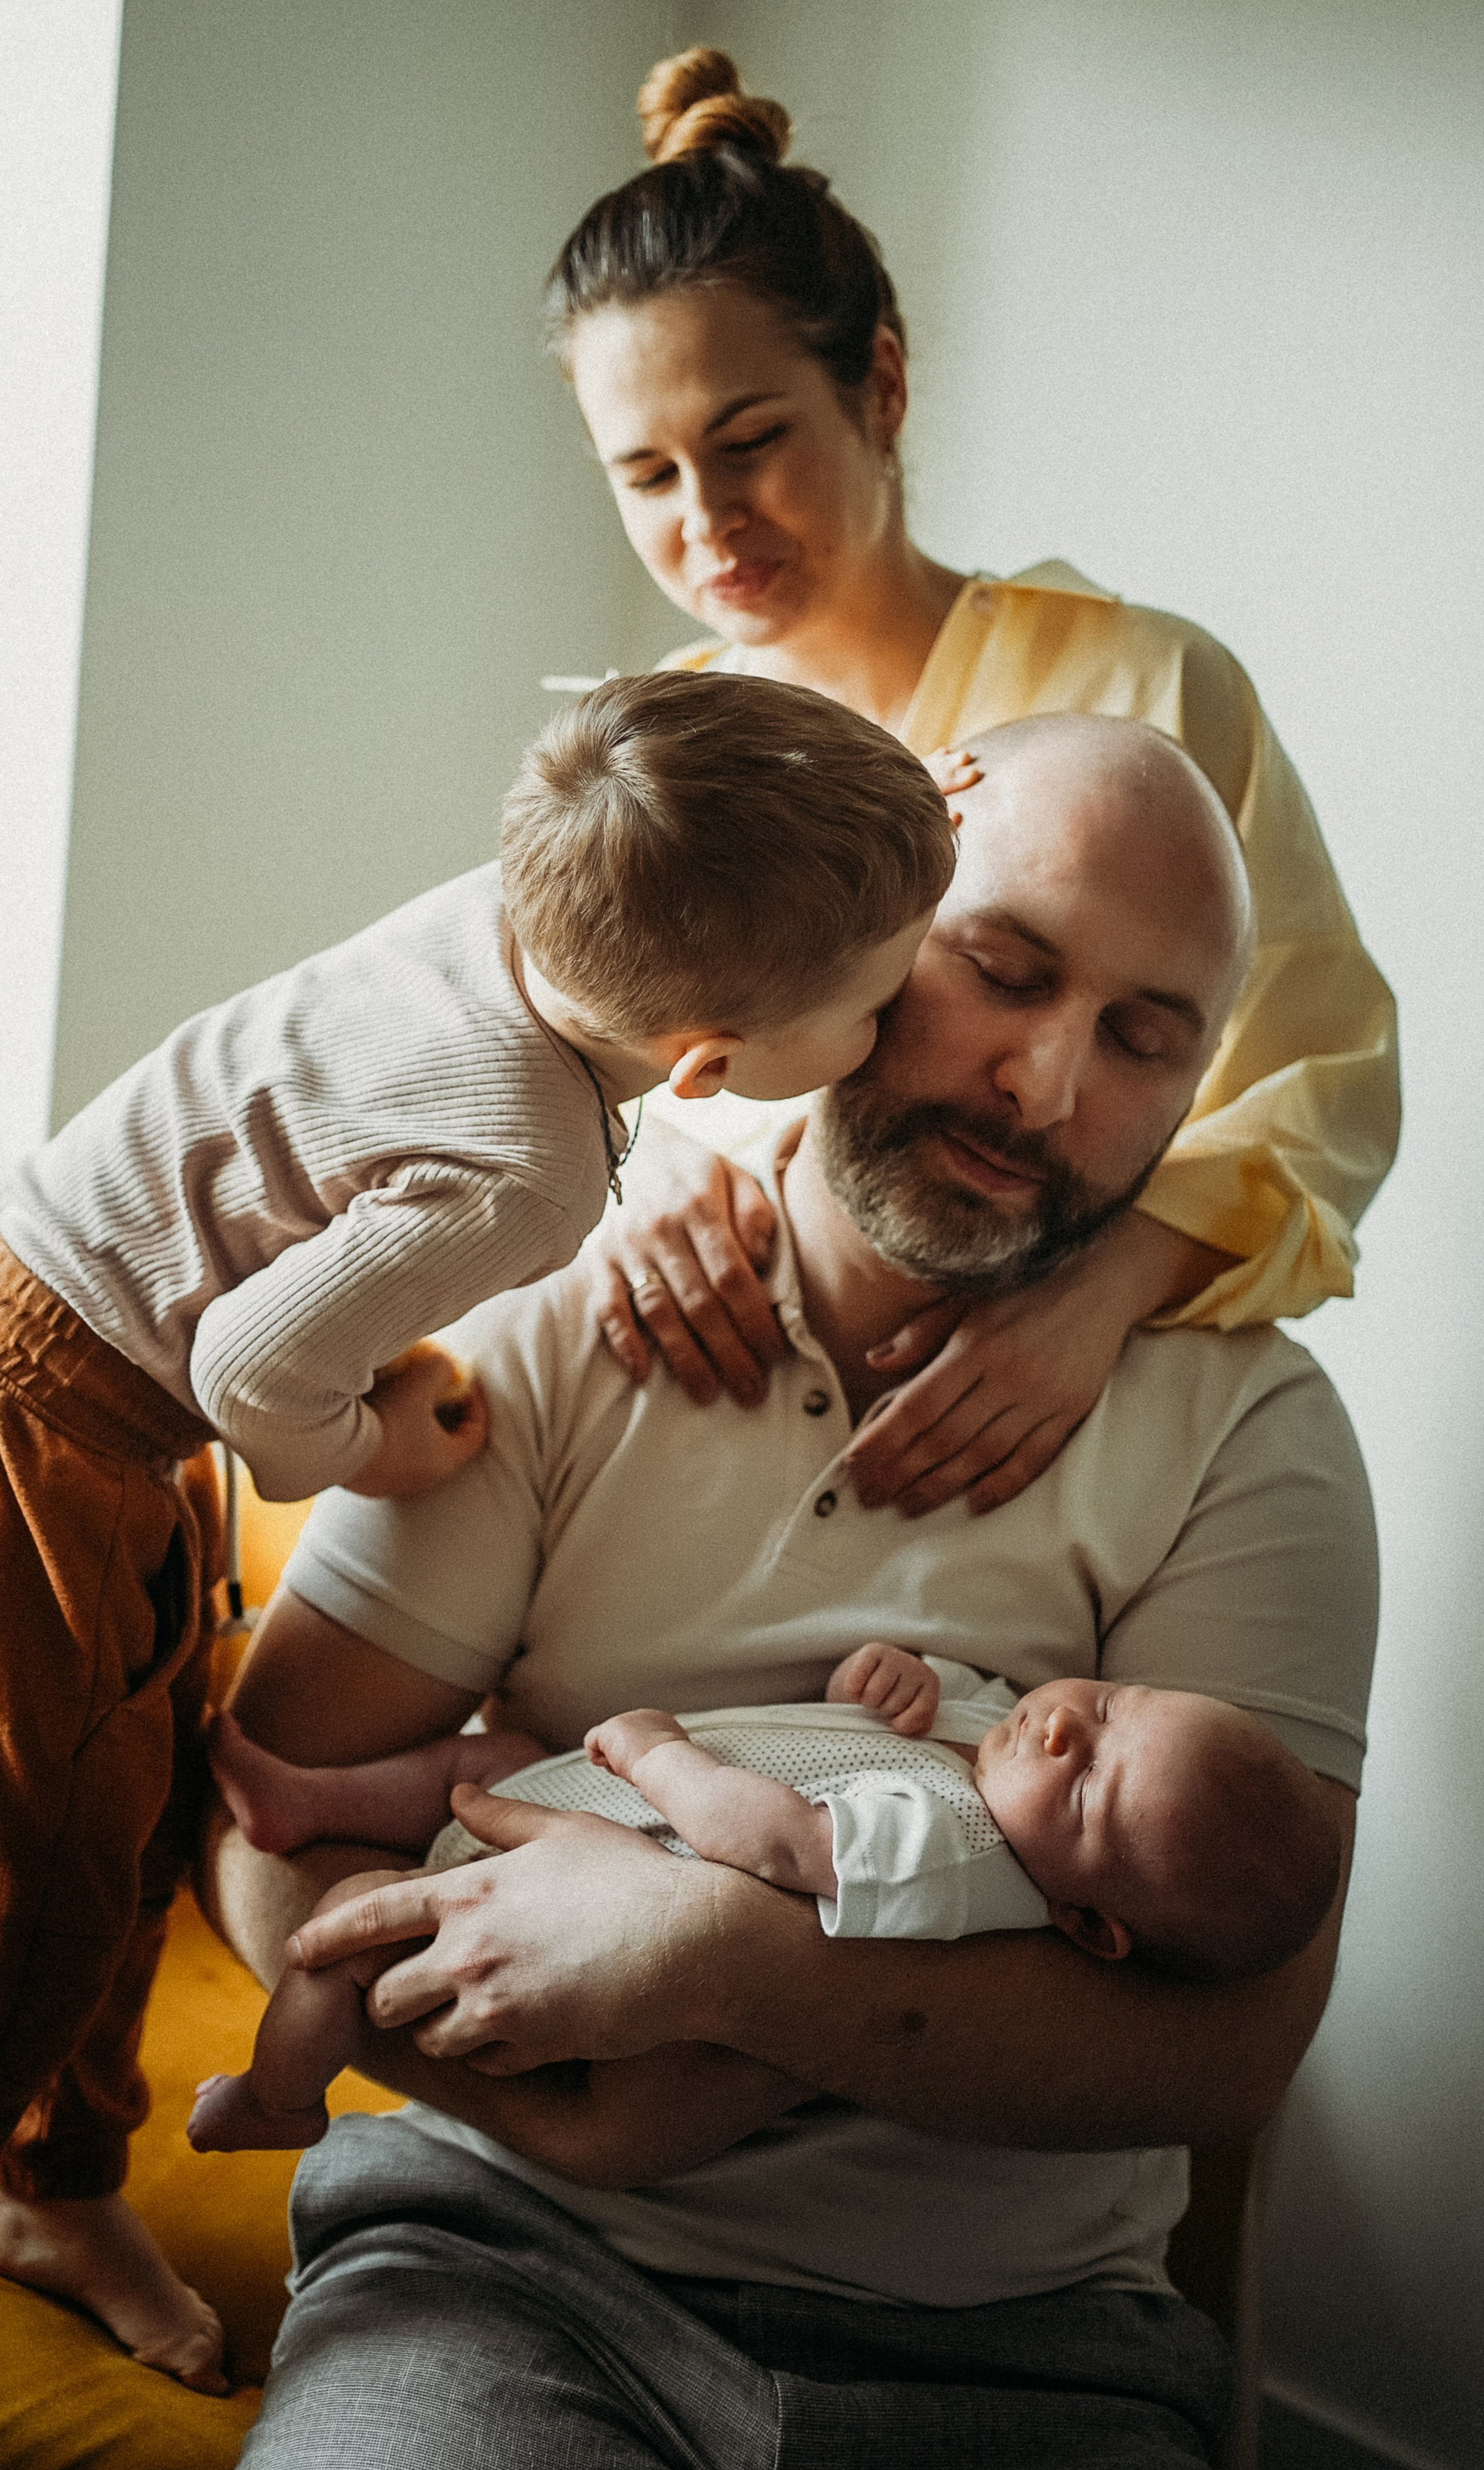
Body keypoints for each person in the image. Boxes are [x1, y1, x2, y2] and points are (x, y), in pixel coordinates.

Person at [199, 713, 1378, 2467]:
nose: (1045, 1088)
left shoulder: (1255, 1434)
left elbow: (1226, 2056)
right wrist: (563, 2107)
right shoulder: (553, 1311)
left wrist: (725, 1974)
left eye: (1144, 1038)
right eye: (1003, 967)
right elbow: (264, 1831)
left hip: (1030, 2350)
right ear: (876, 930)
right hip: (497, 2268)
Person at [0, 670, 950, 2466]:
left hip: (89, 1378)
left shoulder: (535, 895)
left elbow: (665, 776)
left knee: (113, 1832)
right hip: (51, 1411)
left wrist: (884, 808)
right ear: (707, 1072)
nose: (903, 1019)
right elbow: (252, 1374)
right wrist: (372, 1445)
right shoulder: (526, 1170)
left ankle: (45, 2185)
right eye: (883, 994)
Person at [553, 46, 1397, 1521]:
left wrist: (1102, 1296)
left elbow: (1321, 1087)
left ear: (876, 385)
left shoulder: (1151, 690)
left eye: (750, 443)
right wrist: (627, 1180)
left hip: (1041, 1456)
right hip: (690, 1441)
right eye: (647, 475)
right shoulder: (651, 756)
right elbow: (544, 1055)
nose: (708, 521)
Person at [189, 1645, 1339, 2156]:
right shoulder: (1004, 1749)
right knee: (498, 1756)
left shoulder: (961, 1853)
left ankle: (280, 2093)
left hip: (560, 1893)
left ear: (1089, 1924)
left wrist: (657, 1759)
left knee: (352, 1933)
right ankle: (306, 1798)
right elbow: (845, 1734)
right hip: (558, 1804)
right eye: (1117, 1701)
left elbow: (784, 1844)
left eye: (1087, 1783)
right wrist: (879, 1681)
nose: (1060, 1725)